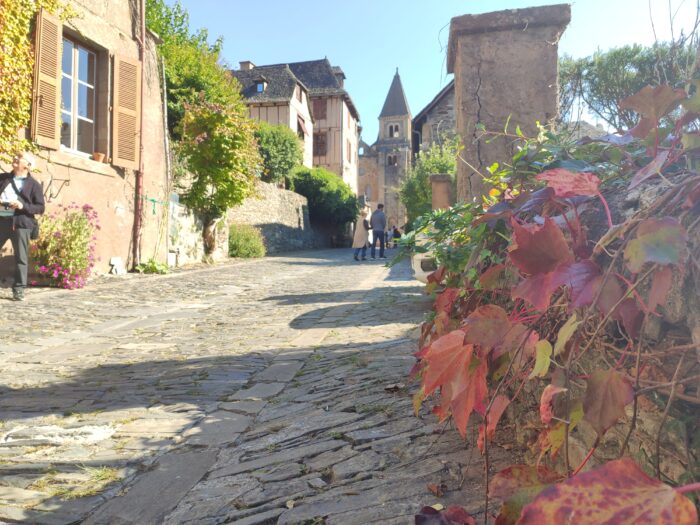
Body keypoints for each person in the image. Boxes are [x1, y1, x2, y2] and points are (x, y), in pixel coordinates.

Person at [0, 152, 45, 301]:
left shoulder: (34, 185)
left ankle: (18, 290)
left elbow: (40, 208)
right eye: (15, 156)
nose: (15, 158)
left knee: (21, 258)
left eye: (19, 158)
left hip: (20, 224)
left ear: (27, 165)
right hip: (1, 221)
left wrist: (22, 205)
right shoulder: (3, 178)